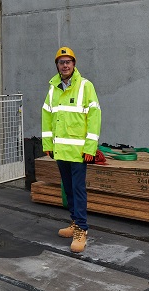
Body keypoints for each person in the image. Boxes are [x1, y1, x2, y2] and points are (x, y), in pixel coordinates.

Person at [41, 47, 102, 253]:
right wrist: (48, 145)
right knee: (68, 190)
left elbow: (94, 117)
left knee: (78, 190)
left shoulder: (86, 86)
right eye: (61, 62)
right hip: (60, 151)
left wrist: (90, 148)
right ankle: (75, 222)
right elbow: (47, 117)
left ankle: (82, 229)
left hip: (78, 152)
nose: (65, 65)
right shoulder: (53, 89)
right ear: (57, 66)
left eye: (68, 62)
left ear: (74, 64)